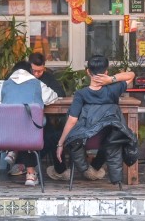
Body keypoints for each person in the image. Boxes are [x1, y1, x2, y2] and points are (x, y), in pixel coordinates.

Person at [54, 55, 137, 185]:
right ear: (106, 72)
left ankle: (86, 170)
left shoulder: (81, 94)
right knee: (113, 134)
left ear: (88, 72)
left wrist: (60, 143)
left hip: (86, 138)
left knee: (72, 136)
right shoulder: (114, 90)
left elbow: (72, 121)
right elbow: (131, 75)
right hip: (107, 139)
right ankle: (101, 173)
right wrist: (111, 79)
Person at [0, 66, 59, 186]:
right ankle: (30, 174)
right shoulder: (38, 84)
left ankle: (13, 150)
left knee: (20, 127)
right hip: (31, 133)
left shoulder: (4, 85)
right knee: (32, 129)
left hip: (7, 134)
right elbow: (53, 97)